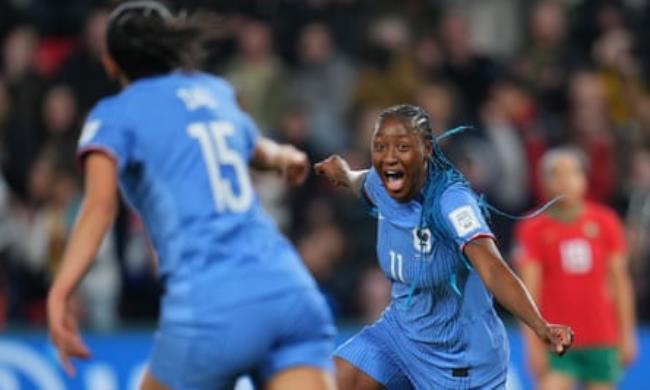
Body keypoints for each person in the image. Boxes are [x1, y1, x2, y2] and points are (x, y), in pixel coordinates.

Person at [46, 2, 336, 389]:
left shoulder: (114, 115)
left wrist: (61, 291)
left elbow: (98, 207)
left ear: (110, 61)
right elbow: (257, 149)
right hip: (289, 290)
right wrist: (286, 157)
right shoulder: (213, 91)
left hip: (211, 304)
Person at [314, 104, 573, 390]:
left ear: (426, 149)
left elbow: (492, 268)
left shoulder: (451, 202)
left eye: (402, 147)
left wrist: (540, 326)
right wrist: (343, 172)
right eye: (380, 146)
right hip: (400, 337)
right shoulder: (380, 183)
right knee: (335, 379)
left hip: (458, 358)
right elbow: (360, 181)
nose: (388, 157)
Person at [515, 147, 637, 390]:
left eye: (572, 174)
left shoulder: (606, 222)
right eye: (557, 175)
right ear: (545, 182)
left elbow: (620, 282)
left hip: (601, 335)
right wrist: (532, 345)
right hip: (556, 338)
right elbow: (527, 291)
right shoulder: (533, 229)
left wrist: (627, 334)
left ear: (584, 178)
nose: (565, 182)